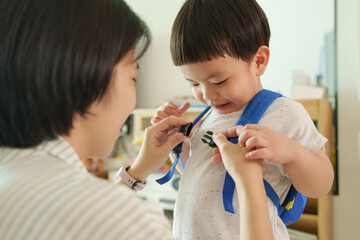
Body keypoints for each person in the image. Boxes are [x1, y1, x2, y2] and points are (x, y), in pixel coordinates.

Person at [0, 0, 275, 239]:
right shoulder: (127, 222)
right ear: (88, 75)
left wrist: (138, 170)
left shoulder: (12, 178)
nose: (207, 96)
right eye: (133, 77)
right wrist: (250, 182)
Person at [152, 0, 334, 239]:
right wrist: (176, 143)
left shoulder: (283, 112)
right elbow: (199, 172)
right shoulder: (206, 116)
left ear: (258, 61)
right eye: (194, 83)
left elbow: (321, 185)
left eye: (219, 82)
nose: (207, 95)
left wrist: (291, 152)